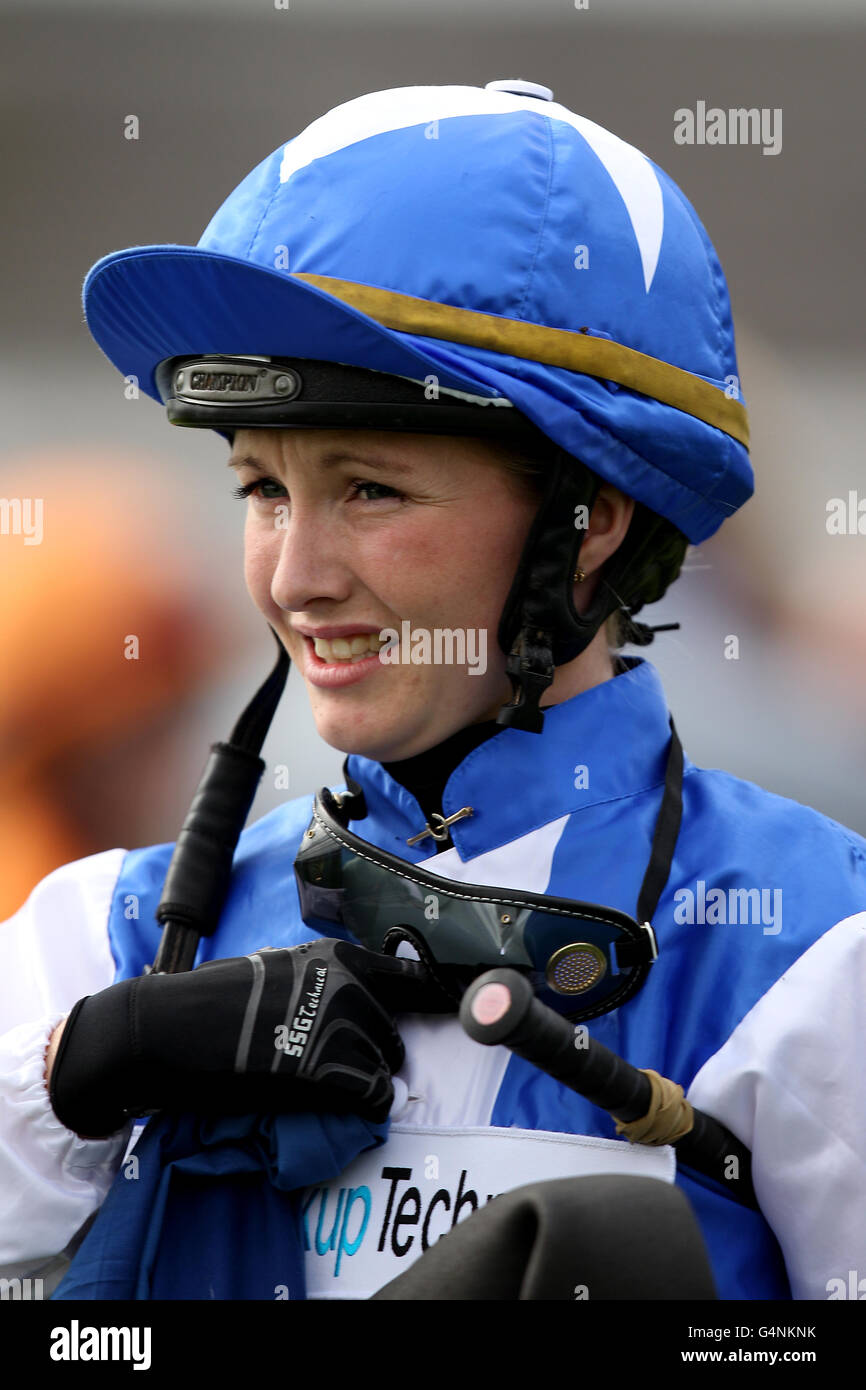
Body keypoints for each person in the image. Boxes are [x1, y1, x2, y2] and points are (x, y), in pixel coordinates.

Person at [2, 80, 864, 1302]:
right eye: (261, 489)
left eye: (371, 491)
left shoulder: (820, 956)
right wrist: (82, 1068)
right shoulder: (104, 939)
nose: (294, 578)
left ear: (590, 523)